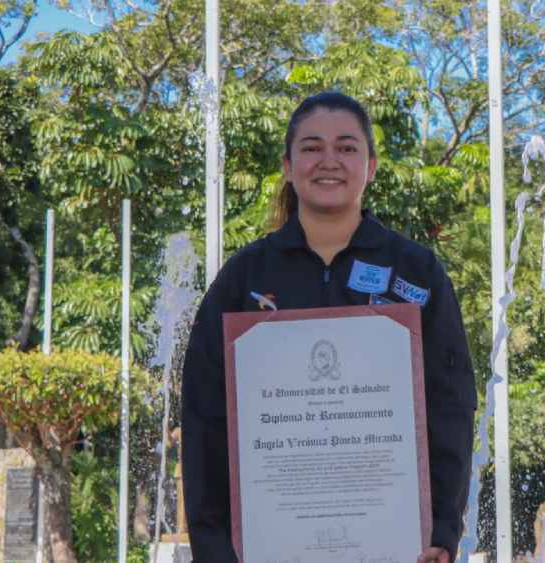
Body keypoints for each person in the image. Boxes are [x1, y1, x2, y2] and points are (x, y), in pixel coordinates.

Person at [181, 92, 477, 563]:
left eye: (347, 147)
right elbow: (204, 419)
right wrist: (215, 549)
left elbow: (450, 409)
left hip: (395, 547)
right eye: (312, 147)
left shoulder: (417, 274)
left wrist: (441, 529)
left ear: (371, 166)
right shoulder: (243, 279)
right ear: (288, 165)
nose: (329, 161)